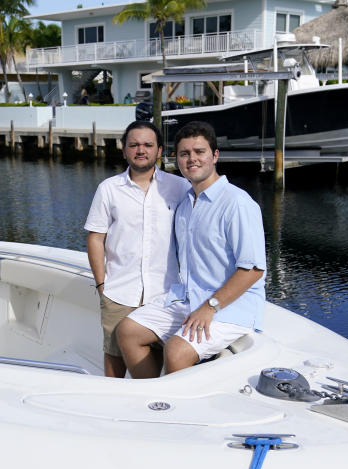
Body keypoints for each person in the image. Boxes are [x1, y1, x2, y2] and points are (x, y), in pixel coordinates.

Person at [116, 121, 266, 377]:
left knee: (176, 351)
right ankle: (153, 397)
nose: (192, 159)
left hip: (228, 307)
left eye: (200, 152)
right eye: (185, 154)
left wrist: (210, 307)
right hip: (187, 298)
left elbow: (252, 270)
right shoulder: (186, 204)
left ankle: (176, 412)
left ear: (215, 155)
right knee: (127, 331)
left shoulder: (237, 203)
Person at [84, 120, 190, 377]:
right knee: (114, 363)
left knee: (157, 363)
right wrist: (102, 286)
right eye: (134, 145)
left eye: (147, 145)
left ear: (159, 151)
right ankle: (113, 406)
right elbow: (95, 238)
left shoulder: (179, 188)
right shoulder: (108, 189)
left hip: (164, 294)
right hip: (119, 291)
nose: (141, 150)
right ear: (124, 150)